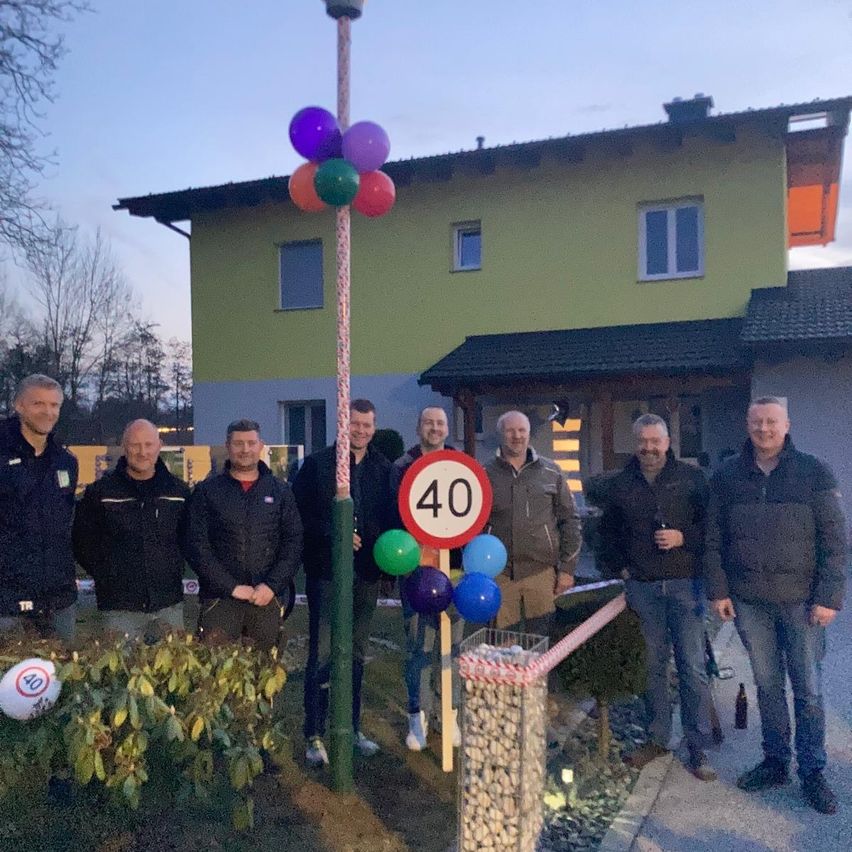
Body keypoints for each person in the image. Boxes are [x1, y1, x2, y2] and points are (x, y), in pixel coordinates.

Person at [705, 397, 847, 814]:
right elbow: (714, 539)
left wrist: (828, 597)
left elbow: (835, 541)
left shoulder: (813, 471)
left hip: (803, 603)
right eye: (757, 422)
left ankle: (813, 771)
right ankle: (775, 762)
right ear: (747, 425)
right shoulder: (728, 475)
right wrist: (719, 590)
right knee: (767, 686)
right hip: (750, 602)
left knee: (808, 690)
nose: (764, 429)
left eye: (772, 422)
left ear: (786, 425)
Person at [597, 414, 715, 780]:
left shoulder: (692, 479)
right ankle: (658, 739)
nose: (649, 448)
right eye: (643, 442)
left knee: (692, 668)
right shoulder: (620, 484)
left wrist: (684, 539)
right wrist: (620, 569)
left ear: (668, 441)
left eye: (655, 441)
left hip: (686, 585)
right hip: (644, 588)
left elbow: (711, 529)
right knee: (652, 667)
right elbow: (606, 534)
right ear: (635, 443)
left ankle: (698, 748)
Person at [293, 399, 394, 767]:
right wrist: (331, 531)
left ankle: (351, 728)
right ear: (342, 424)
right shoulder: (319, 465)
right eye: (354, 424)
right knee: (321, 653)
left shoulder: (383, 468)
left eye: (367, 425)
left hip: (365, 574)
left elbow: (390, 518)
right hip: (326, 574)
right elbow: (298, 517)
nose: (361, 431)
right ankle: (314, 732)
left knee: (354, 653)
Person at [186, 418, 302, 650]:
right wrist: (231, 587)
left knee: (264, 675)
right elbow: (196, 545)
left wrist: (271, 586)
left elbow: (293, 542)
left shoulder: (280, 492)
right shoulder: (207, 491)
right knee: (216, 677)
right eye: (238, 443)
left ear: (261, 446)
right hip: (219, 601)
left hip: (266, 600)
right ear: (227, 446)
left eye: (251, 443)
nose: (245, 449)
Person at [73, 419, 190, 639]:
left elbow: (189, 539)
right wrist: (108, 575)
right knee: (120, 673)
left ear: (159, 445)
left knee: (173, 672)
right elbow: (82, 542)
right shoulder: (100, 493)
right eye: (135, 445)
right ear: (124, 447)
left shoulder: (179, 492)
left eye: (148, 444)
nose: (142, 451)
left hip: (168, 606)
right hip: (119, 609)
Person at [392, 405, 463, 751]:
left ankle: (447, 714)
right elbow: (392, 516)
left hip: (454, 570)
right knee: (418, 648)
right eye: (428, 423)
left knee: (453, 646)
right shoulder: (402, 468)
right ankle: (417, 715)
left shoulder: (461, 466)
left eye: (440, 423)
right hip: (415, 573)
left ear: (447, 429)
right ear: (418, 427)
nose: (434, 428)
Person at [484, 410, 582, 636]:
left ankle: (538, 675)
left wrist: (567, 569)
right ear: (501, 435)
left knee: (539, 648)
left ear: (529, 434)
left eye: (521, 430)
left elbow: (570, 520)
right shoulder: (482, 473)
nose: (516, 436)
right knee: (500, 647)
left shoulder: (551, 472)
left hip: (541, 573)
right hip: (499, 574)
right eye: (510, 430)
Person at [0, 374, 78, 642]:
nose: (48, 412)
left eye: (54, 405)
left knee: (65, 681)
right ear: (18, 406)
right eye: (38, 404)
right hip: (6, 603)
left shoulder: (66, 461)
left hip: (57, 602)